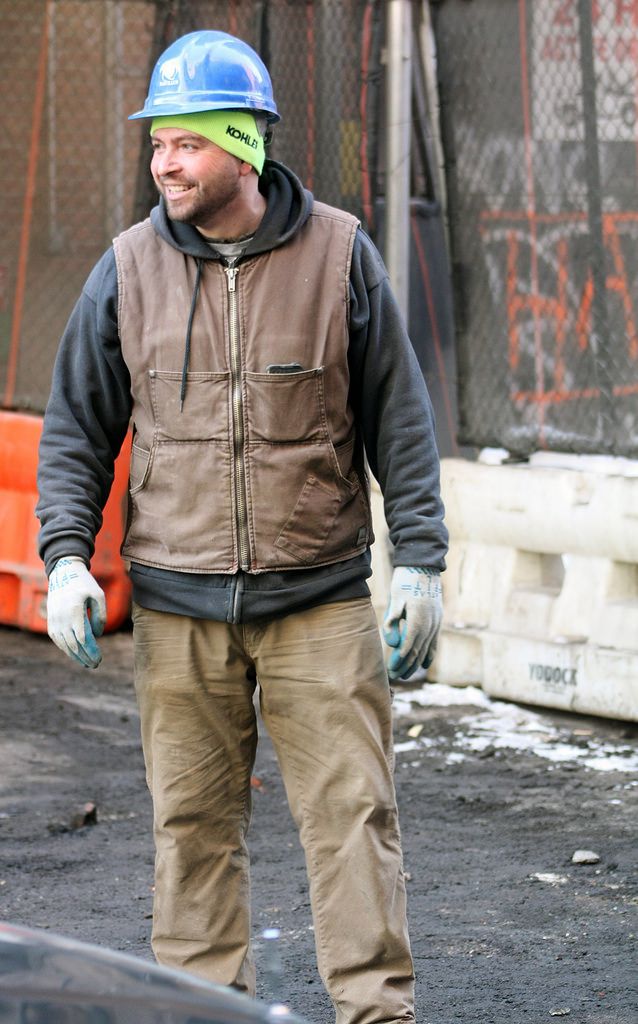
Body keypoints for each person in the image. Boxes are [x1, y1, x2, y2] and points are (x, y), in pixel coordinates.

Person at [36, 29, 448, 1024]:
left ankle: (374, 1013)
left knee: (352, 819)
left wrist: (420, 565)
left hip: (317, 602)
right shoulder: (125, 270)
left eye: (183, 143)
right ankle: (200, 1014)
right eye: (155, 145)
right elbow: (76, 431)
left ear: (243, 145)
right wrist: (64, 560)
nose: (162, 163)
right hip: (178, 612)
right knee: (191, 829)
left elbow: (400, 420)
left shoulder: (340, 257)